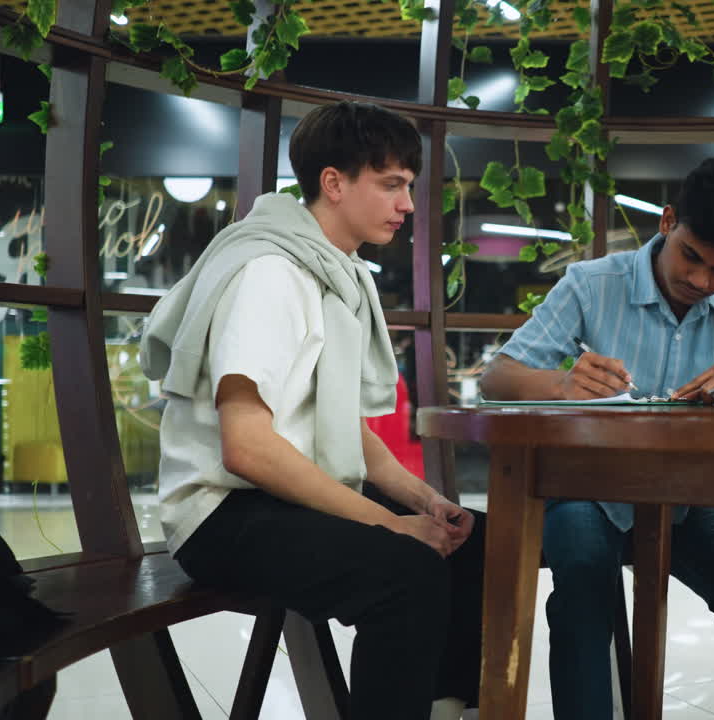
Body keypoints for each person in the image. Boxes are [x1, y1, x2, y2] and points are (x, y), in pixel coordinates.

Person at [141, 101, 483, 720]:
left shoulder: (335, 273)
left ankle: (447, 707)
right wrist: (390, 526)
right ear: (334, 183)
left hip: (282, 501)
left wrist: (424, 502)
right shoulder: (271, 273)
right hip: (223, 514)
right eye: (392, 185)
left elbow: (345, 431)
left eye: (408, 186)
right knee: (407, 572)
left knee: (471, 542)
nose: (407, 204)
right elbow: (245, 447)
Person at [479, 155, 714, 719]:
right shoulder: (592, 283)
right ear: (667, 222)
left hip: (687, 492)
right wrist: (562, 382)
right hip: (584, 482)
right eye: (692, 257)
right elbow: (497, 379)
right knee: (585, 577)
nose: (702, 283)